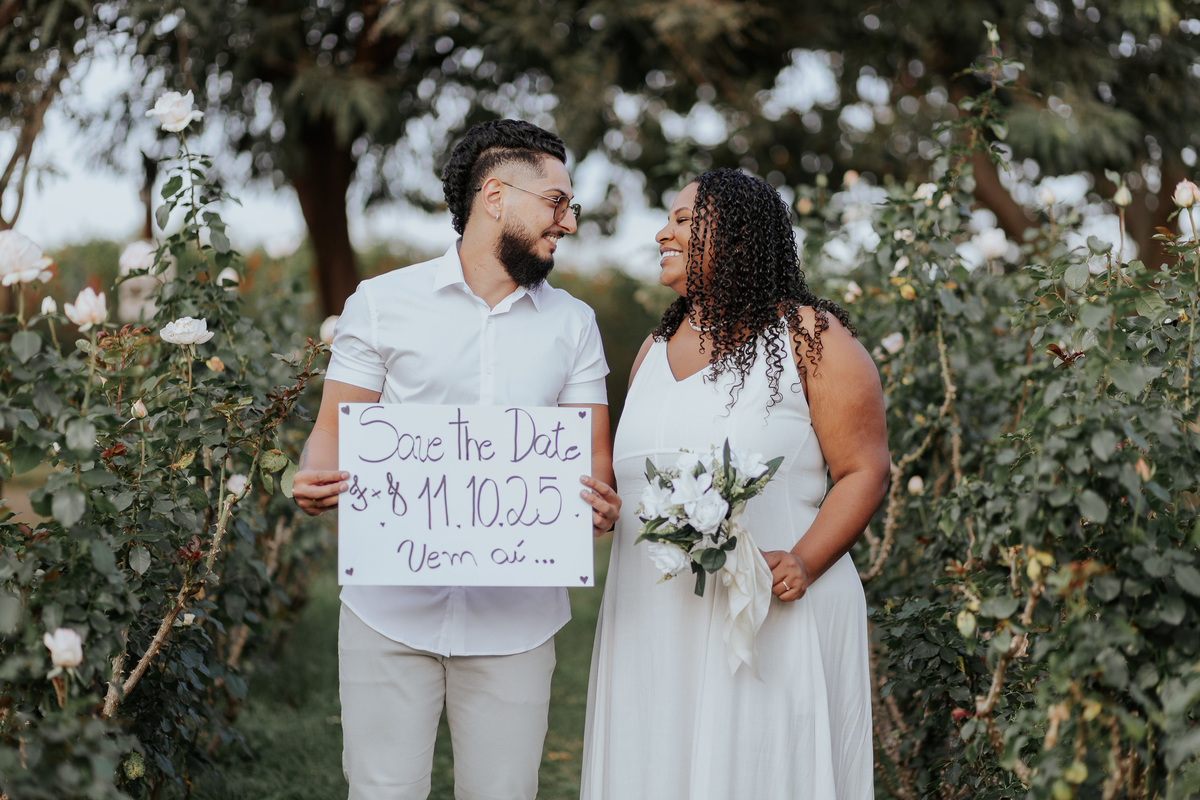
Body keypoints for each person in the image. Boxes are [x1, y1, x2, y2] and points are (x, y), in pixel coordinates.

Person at [291, 118, 621, 800]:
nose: (568, 222)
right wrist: (314, 472)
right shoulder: (381, 305)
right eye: (556, 202)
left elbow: (593, 461)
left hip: (517, 621)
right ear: (495, 196)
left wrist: (597, 503)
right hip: (388, 609)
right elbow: (330, 433)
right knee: (382, 790)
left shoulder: (573, 325)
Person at [581, 168, 889, 799]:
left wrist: (804, 560)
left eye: (683, 220)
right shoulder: (652, 350)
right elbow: (631, 481)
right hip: (651, 621)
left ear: (739, 238)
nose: (663, 234)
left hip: (770, 610)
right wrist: (603, 505)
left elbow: (865, 469)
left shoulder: (810, 337)